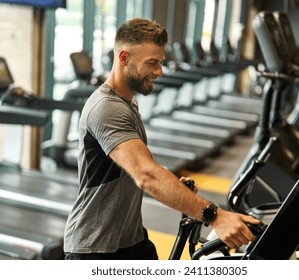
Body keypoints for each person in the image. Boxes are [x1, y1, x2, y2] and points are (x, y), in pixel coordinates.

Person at [63, 18, 260, 260]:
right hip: (97, 248)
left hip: (131, 239)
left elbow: (130, 164)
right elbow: (146, 175)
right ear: (124, 58)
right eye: (152, 63)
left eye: (160, 63)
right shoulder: (107, 108)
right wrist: (215, 216)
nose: (159, 71)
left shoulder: (127, 101)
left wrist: (174, 185)